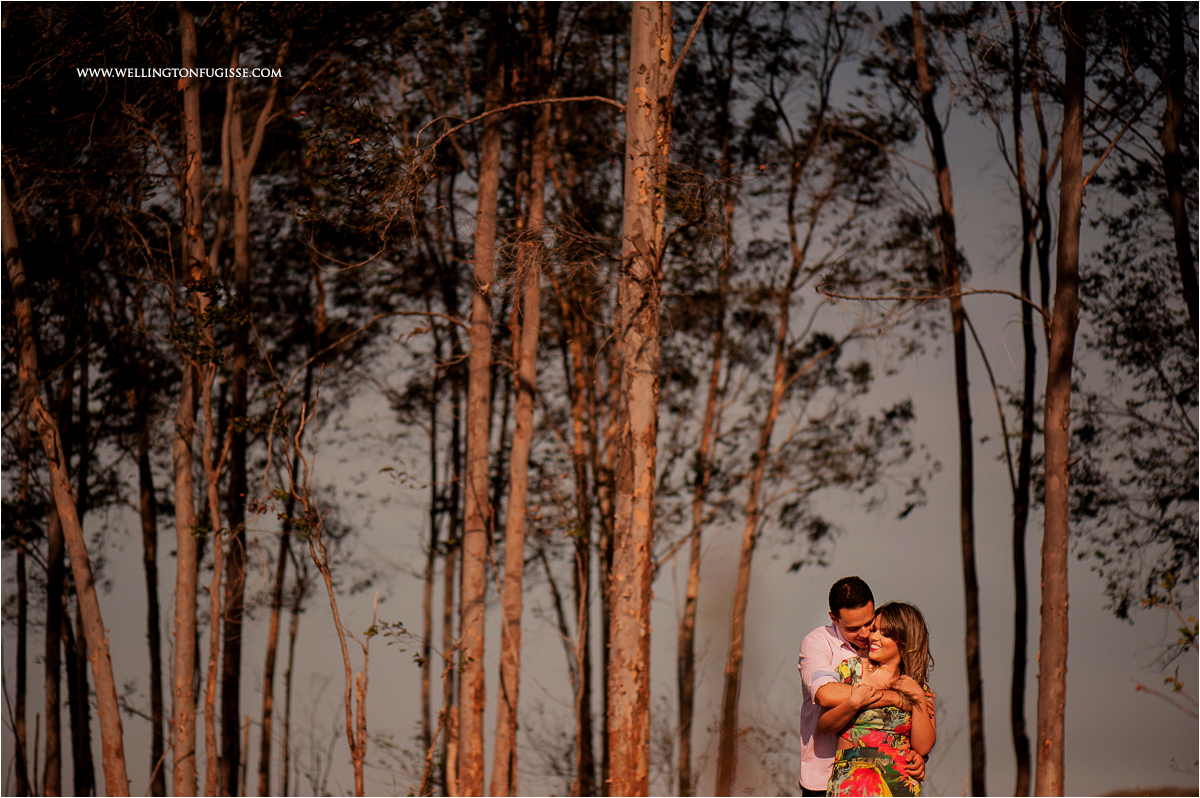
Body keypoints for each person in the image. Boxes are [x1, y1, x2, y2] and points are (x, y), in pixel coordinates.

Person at [798, 578, 925, 796]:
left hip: (887, 776)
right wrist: (894, 697)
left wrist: (919, 755)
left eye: (870, 623)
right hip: (825, 774)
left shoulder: (884, 645)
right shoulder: (819, 643)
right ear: (834, 619)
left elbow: (912, 717)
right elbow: (826, 694)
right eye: (854, 628)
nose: (866, 634)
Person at [819, 602, 936, 797]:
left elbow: (923, 746)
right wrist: (852, 704)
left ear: (905, 641)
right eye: (875, 630)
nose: (873, 637)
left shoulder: (918, 688)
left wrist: (917, 698)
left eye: (885, 634)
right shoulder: (851, 670)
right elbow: (824, 725)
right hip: (851, 783)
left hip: (898, 783)